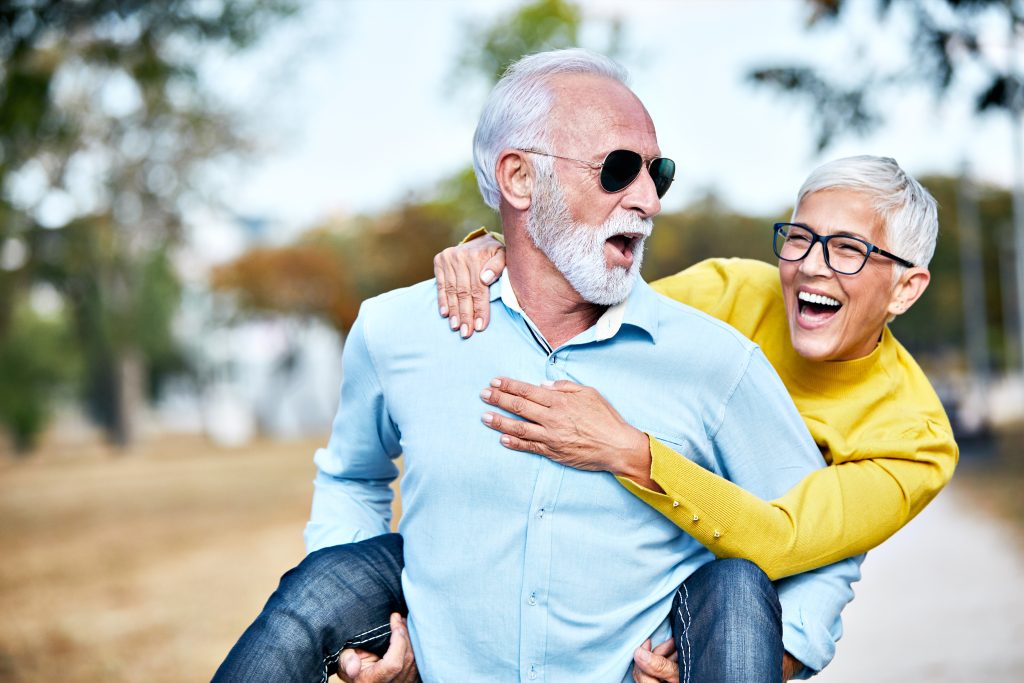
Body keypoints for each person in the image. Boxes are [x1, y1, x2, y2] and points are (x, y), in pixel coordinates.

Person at [213, 48, 861, 683]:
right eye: (619, 168)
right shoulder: (394, 331)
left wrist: (784, 652)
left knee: (739, 580)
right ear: (519, 178)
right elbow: (354, 477)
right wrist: (378, 632)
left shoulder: (715, 361)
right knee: (324, 582)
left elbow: (822, 533)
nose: (649, 199)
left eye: (656, 173)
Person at [433, 154, 958, 680]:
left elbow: (791, 543)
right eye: (800, 238)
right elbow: (586, 324)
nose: (811, 265)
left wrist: (632, 453)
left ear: (906, 288)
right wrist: (494, 255)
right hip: (615, 566)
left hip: (728, 611)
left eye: (848, 249)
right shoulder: (731, 292)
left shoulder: (913, 441)